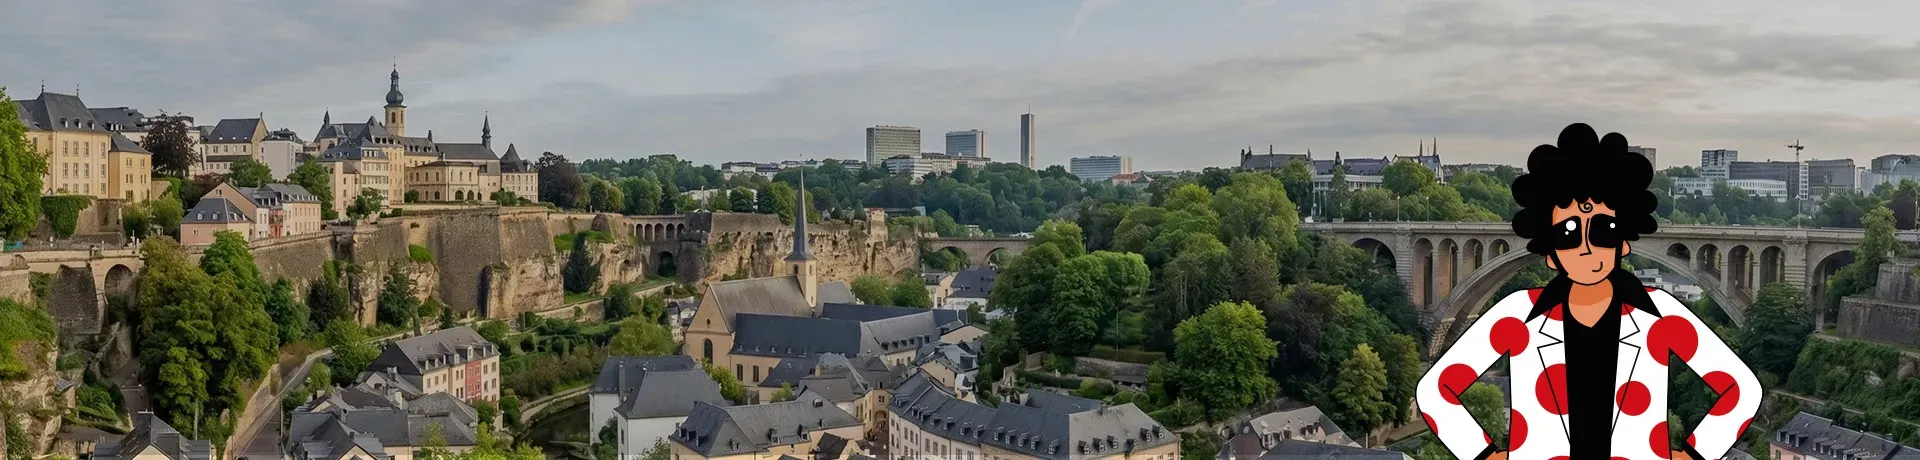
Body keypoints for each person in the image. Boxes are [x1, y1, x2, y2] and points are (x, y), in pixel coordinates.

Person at [1415, 123, 1760, 460]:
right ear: (1550, 253)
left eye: (1604, 230)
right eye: (1567, 234)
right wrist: (1485, 454)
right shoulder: (1518, 314)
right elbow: (1434, 392)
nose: (1586, 247)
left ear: (1623, 243)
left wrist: (1694, 455)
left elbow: (1742, 390)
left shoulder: (1661, 315)